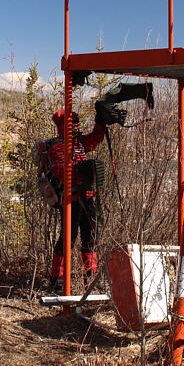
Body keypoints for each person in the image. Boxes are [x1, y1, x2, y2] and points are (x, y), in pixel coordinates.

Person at [48, 108, 106, 292]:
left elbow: (96, 138)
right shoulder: (57, 146)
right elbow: (61, 171)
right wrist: (83, 168)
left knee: (91, 238)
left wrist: (101, 121)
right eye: (74, 121)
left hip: (88, 198)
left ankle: (90, 279)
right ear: (64, 125)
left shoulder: (79, 143)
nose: (78, 124)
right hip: (70, 200)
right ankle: (57, 279)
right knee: (68, 238)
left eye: (78, 120)